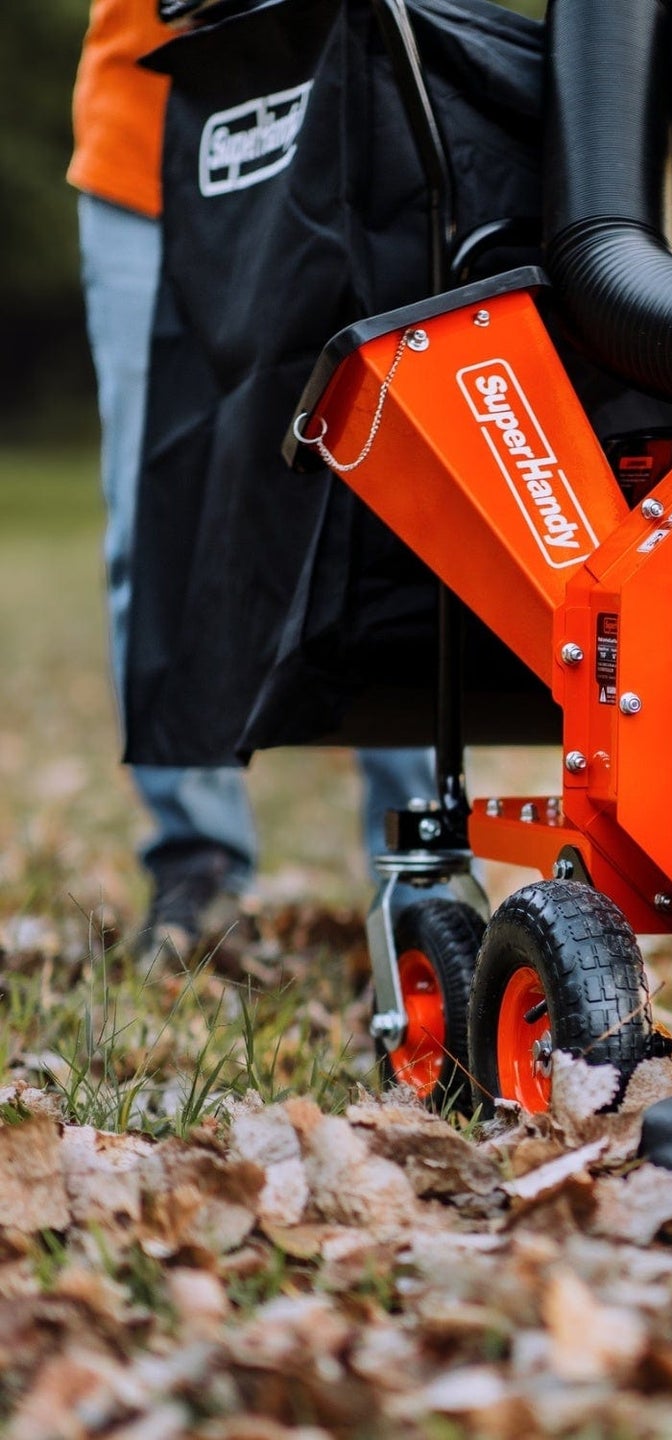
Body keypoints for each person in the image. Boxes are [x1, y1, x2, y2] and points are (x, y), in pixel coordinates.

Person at [69, 0, 435, 954]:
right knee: (157, 515)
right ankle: (196, 857)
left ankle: (418, 863)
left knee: (387, 492)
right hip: (148, 142)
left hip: (354, 112)